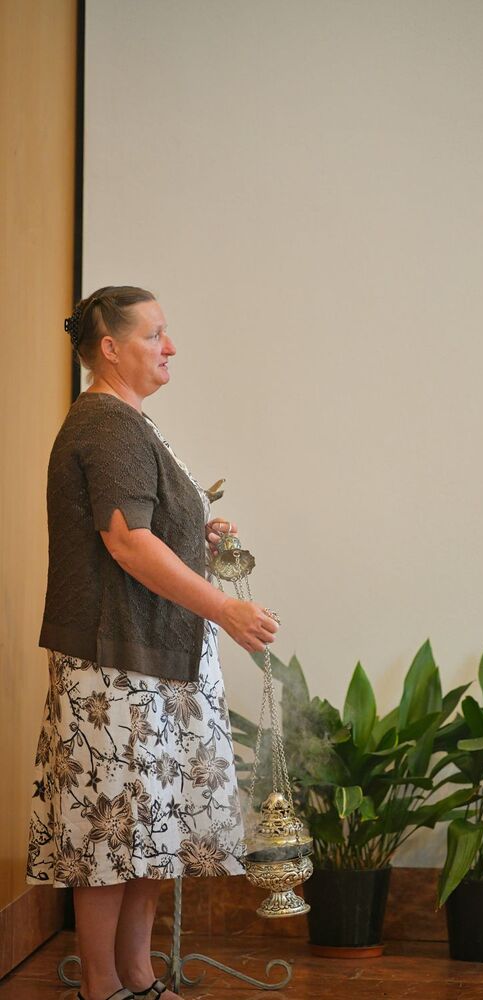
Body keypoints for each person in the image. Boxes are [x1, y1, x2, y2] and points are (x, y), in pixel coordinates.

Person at [26, 286, 279, 1000]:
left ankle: (138, 979)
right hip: (116, 666)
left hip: (150, 658)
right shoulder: (107, 424)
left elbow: (144, 530)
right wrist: (226, 609)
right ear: (110, 348)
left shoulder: (127, 421)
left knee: (149, 831)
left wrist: (197, 537)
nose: (170, 347)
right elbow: (127, 543)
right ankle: (103, 987)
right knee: (111, 837)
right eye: (154, 334)